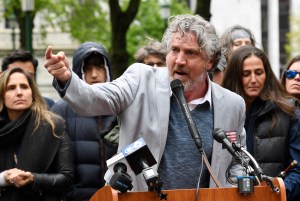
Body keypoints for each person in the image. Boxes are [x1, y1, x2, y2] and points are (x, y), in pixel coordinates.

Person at [44, 14, 247, 191]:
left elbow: (238, 160)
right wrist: (66, 78)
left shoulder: (232, 105)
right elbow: (93, 99)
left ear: (209, 61)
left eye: (190, 53)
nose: (179, 60)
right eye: (174, 50)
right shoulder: (140, 79)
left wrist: (230, 187)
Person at [222, 45, 300, 201]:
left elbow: (298, 170)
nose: (253, 80)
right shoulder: (220, 112)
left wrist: (270, 194)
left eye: (259, 73)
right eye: (246, 74)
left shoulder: (288, 113)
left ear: (267, 75)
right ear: (235, 76)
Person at [50, 42, 118, 201]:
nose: (94, 74)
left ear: (107, 70)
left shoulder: (122, 107)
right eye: (87, 68)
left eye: (99, 67)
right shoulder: (61, 111)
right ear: (78, 72)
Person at [0, 67, 73, 201]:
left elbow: (66, 178)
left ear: (32, 92)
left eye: (24, 86)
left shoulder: (53, 127)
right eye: (11, 88)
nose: (19, 92)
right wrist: (4, 178)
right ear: (2, 95)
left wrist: (34, 178)